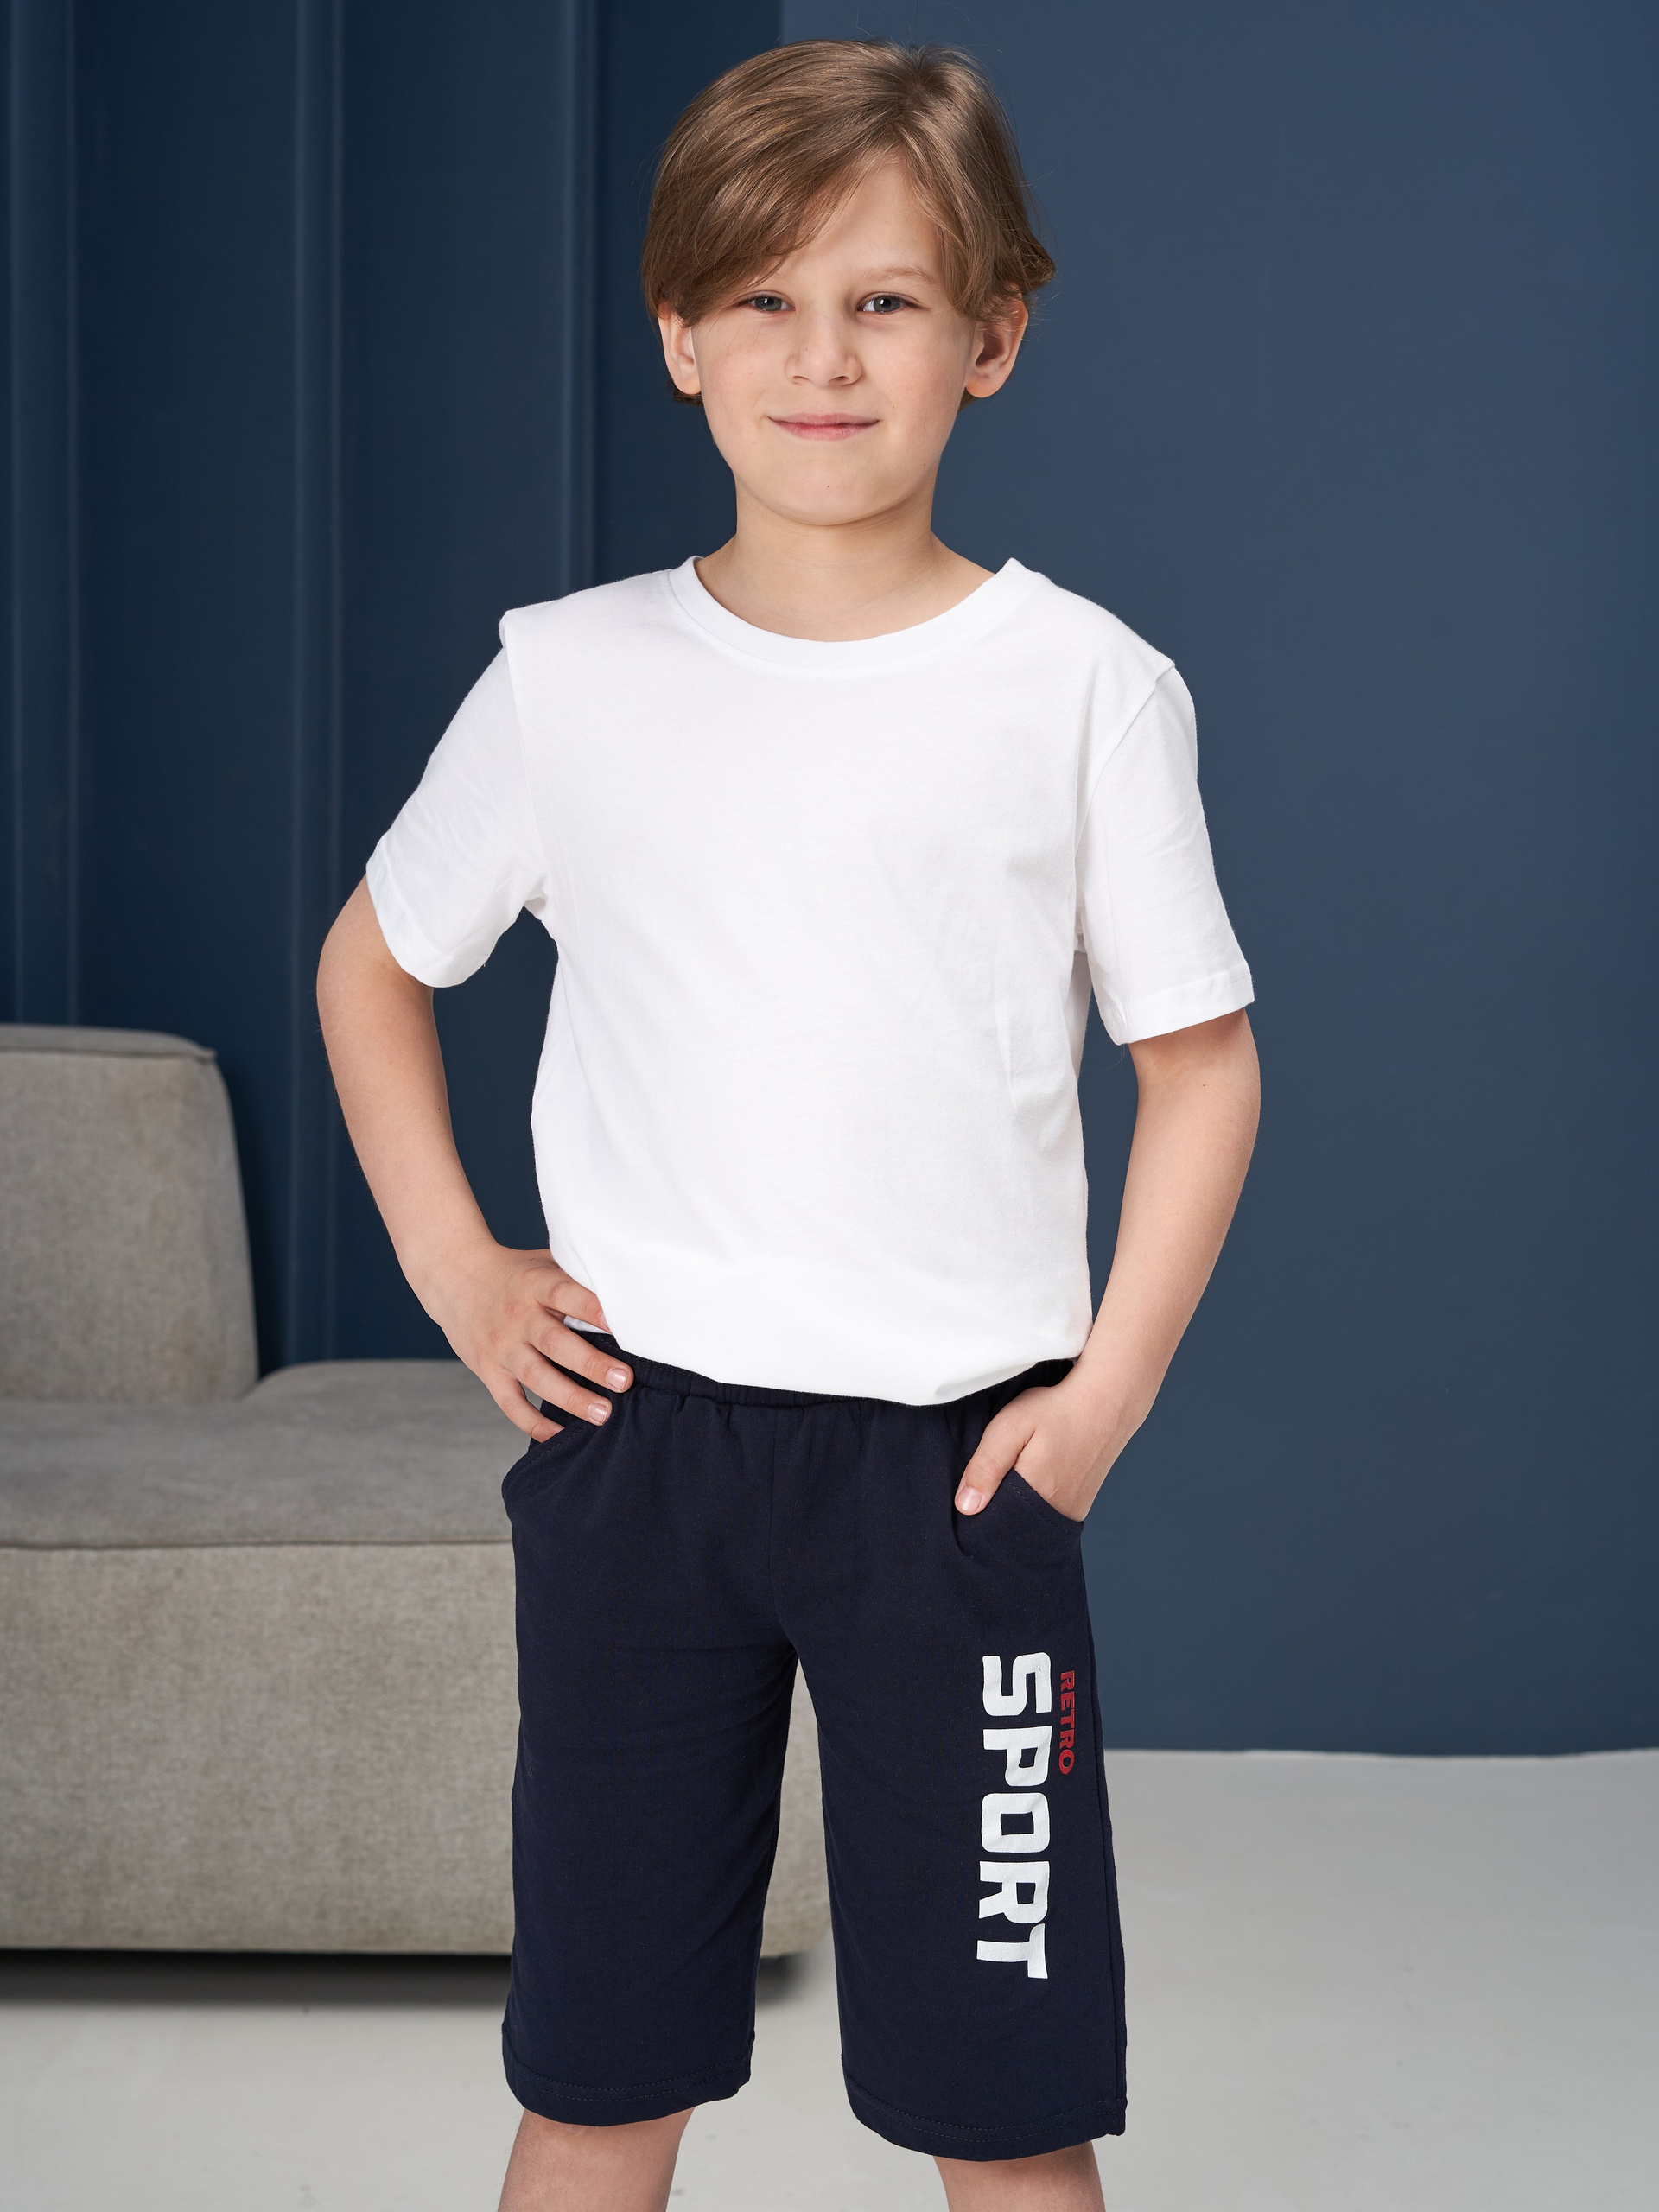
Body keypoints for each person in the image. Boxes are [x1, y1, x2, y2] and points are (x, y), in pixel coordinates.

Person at [317, 38, 1259, 2212]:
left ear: (990, 337)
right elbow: (374, 963)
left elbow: (1201, 1065)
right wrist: (460, 1266)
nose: (821, 357)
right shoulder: (570, 676)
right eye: (763, 299)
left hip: (963, 1475)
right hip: (644, 1455)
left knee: (1006, 2101)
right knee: (598, 2067)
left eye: (885, 301)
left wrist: (1103, 1399)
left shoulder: (1084, 688)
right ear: (679, 334)